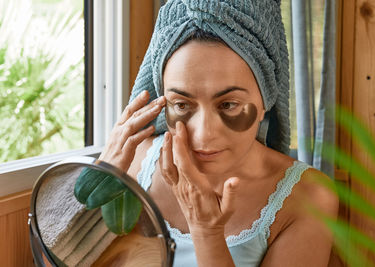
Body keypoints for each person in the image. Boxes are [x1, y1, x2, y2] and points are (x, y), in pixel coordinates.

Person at [98, 0, 338, 266]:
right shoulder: (133, 163)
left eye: (228, 105)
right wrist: (97, 178)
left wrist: (207, 232)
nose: (203, 135)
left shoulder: (308, 197)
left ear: (265, 102)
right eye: (181, 104)